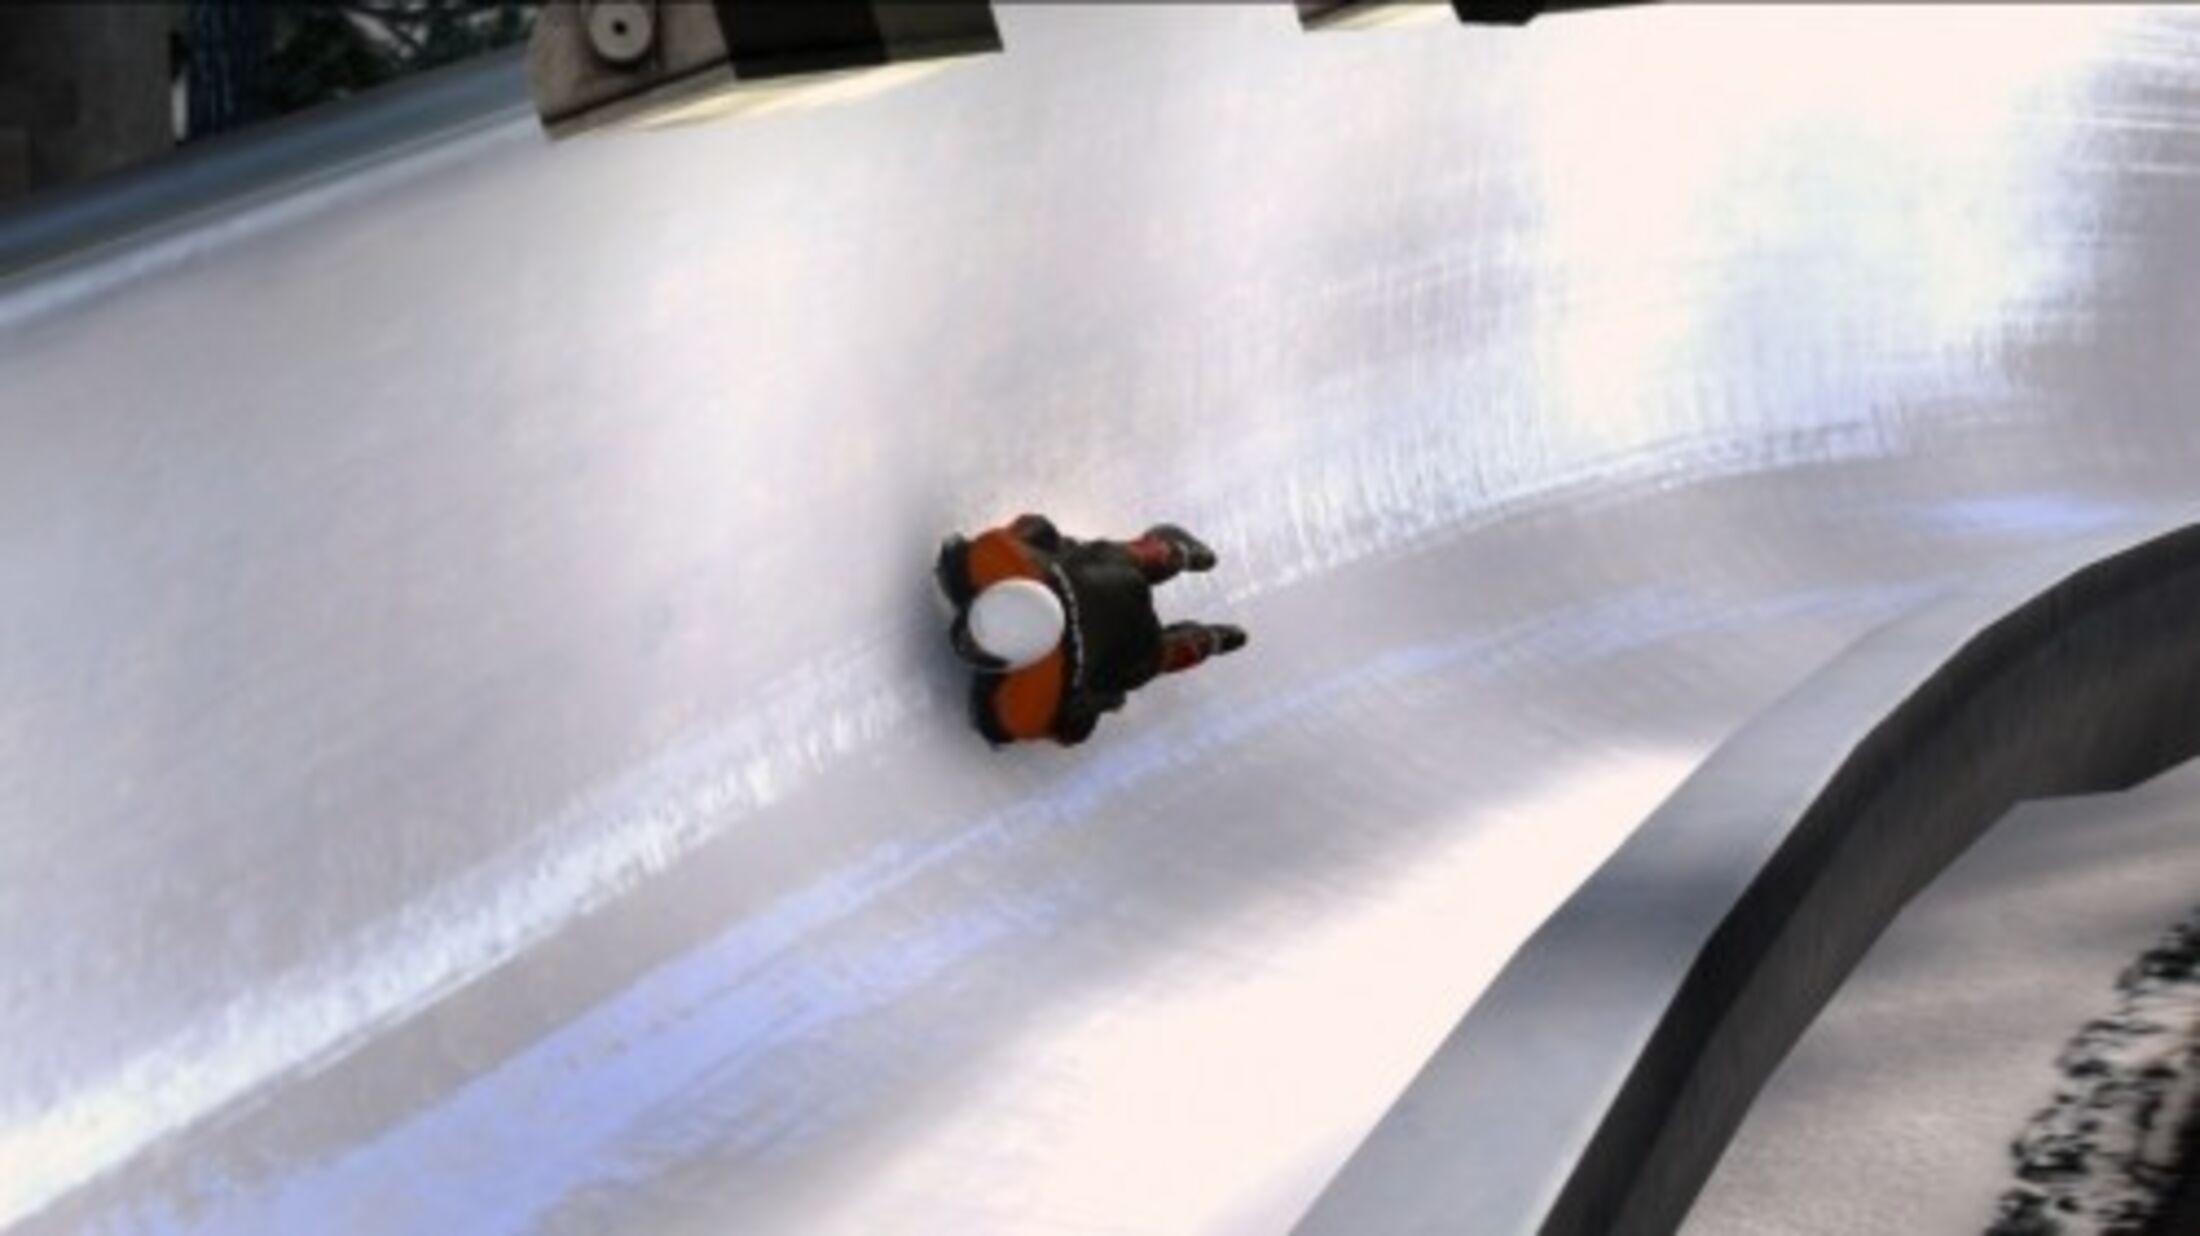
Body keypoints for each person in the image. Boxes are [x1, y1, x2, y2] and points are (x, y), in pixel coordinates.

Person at [935, 514, 1248, 747]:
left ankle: (1198, 641)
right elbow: (1035, 526)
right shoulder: (993, 556)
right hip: (1101, 576)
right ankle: (1168, 552)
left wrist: (1090, 703)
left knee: (1136, 669)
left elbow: (1068, 734)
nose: (970, 643)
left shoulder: (1028, 703)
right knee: (1102, 560)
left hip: (1130, 641)